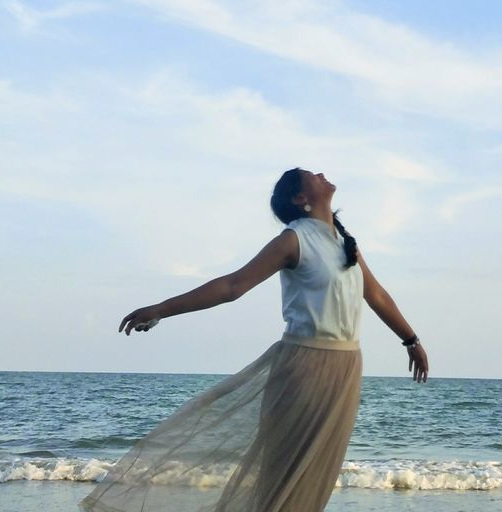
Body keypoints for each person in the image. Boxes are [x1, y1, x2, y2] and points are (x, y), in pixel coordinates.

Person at [79, 168, 427, 512]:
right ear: (300, 199)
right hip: (304, 367)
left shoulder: (345, 243)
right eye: (310, 174)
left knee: (315, 478)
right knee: (284, 471)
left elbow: (376, 295)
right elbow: (232, 287)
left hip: (346, 369)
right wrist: (162, 309)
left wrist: (410, 340)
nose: (321, 173)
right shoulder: (293, 240)